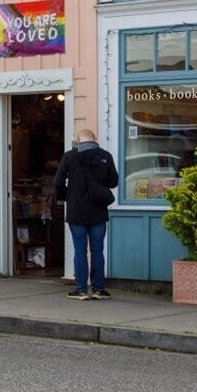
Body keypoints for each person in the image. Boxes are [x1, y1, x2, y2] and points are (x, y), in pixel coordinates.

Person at [53, 127, 119, 300]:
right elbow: (114, 182)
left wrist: (66, 196)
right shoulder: (105, 156)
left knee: (80, 251)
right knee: (98, 251)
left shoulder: (69, 156)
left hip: (76, 211)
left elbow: (58, 182)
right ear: (95, 138)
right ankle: (99, 289)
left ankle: (81, 290)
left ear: (78, 140)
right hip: (98, 211)